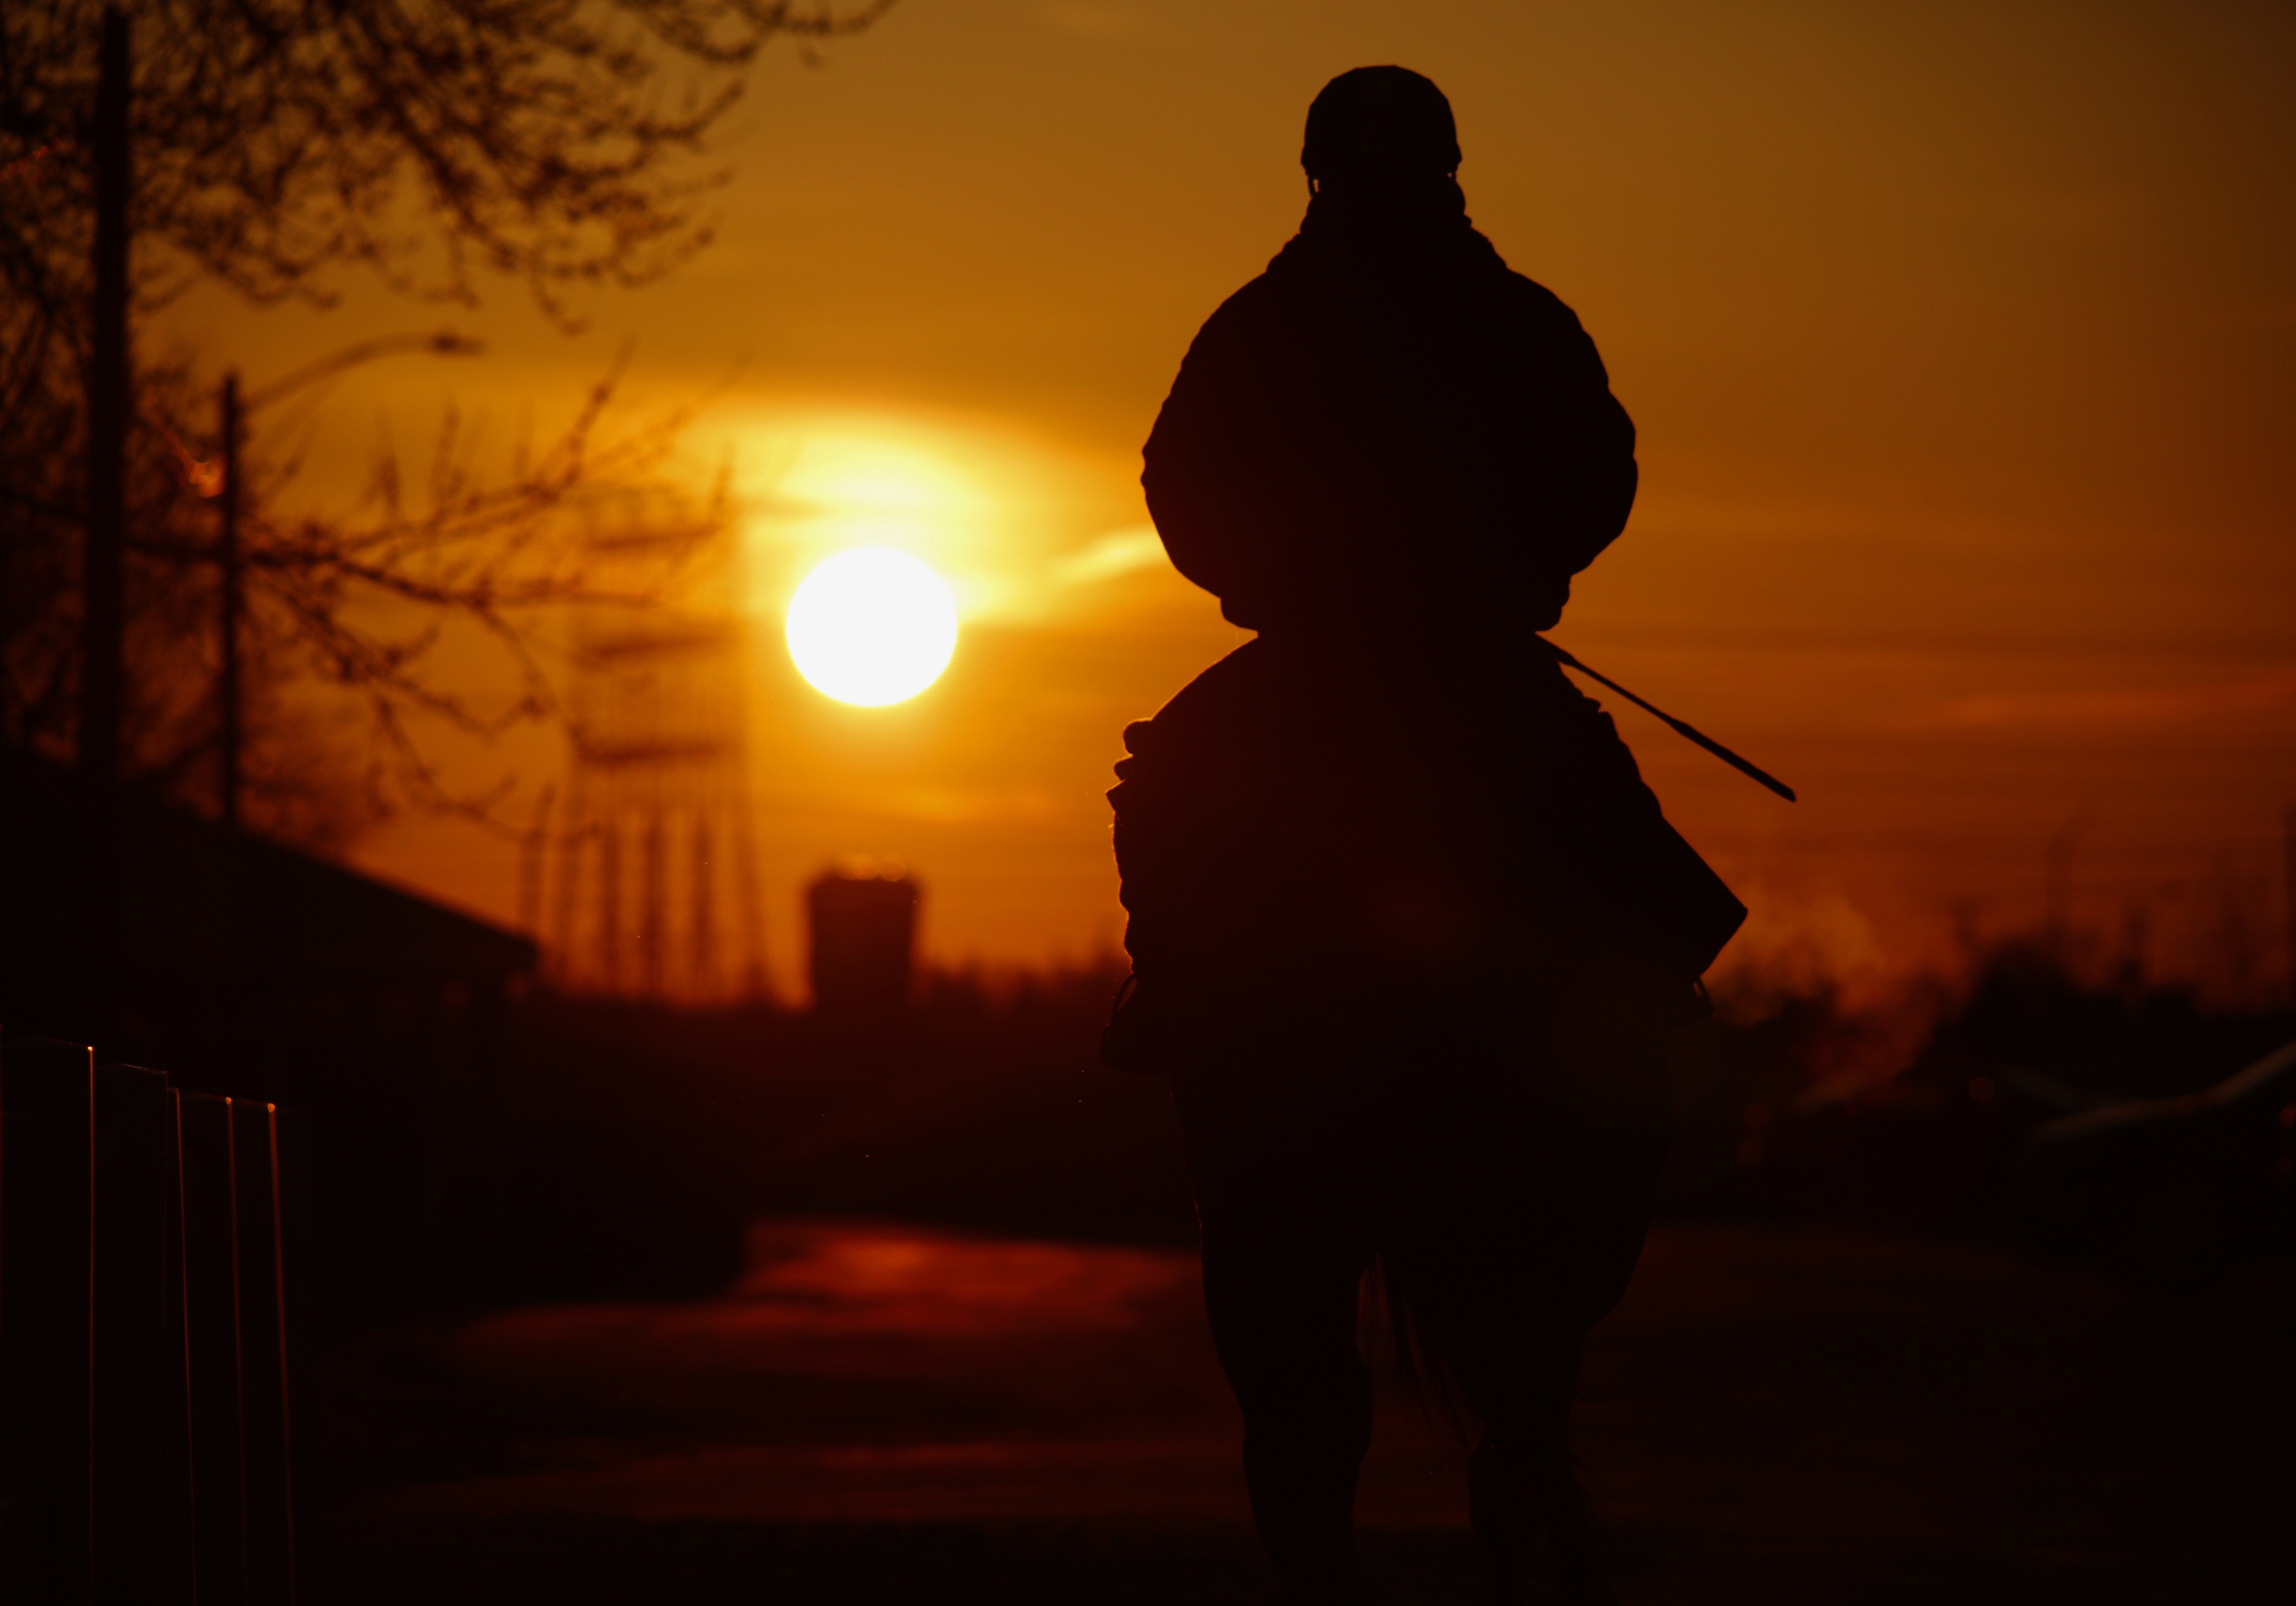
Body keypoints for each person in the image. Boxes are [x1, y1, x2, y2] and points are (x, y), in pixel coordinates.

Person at [1105, 67, 1746, 1605]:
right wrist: (1497, 567)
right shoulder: (1515, 319)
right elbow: (1600, 474)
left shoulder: (1264, 324)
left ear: (1314, 168)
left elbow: (1178, 482)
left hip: (1335, 657)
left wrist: (1282, 577)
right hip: (1458, 658)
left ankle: (1174, 992)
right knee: (1614, 858)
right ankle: (1631, 1017)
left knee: (1172, 786)